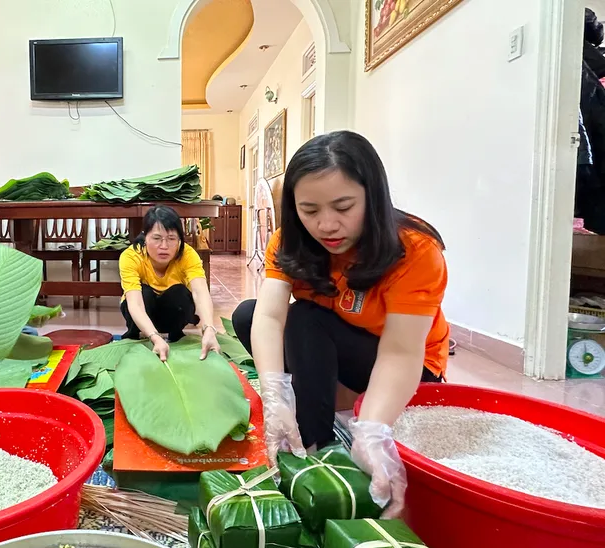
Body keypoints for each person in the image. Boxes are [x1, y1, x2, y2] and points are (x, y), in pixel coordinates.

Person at [231, 131, 449, 518]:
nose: (327, 225)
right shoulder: (290, 242)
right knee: (249, 314)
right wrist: (274, 395)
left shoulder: (413, 249)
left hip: (408, 370)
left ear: (372, 196)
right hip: (342, 354)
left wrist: (373, 430)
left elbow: (400, 352)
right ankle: (315, 423)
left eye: (343, 207)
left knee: (306, 318)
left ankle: (318, 447)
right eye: (309, 210)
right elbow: (268, 316)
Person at [119, 205, 221, 361]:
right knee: (144, 293)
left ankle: (176, 334)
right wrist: (155, 337)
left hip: (171, 313)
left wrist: (209, 328)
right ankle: (136, 335)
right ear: (145, 237)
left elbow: (200, 292)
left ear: (179, 239)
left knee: (180, 292)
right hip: (143, 312)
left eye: (171, 239)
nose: (164, 246)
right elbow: (135, 303)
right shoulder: (131, 256)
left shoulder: (187, 254)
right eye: (156, 238)